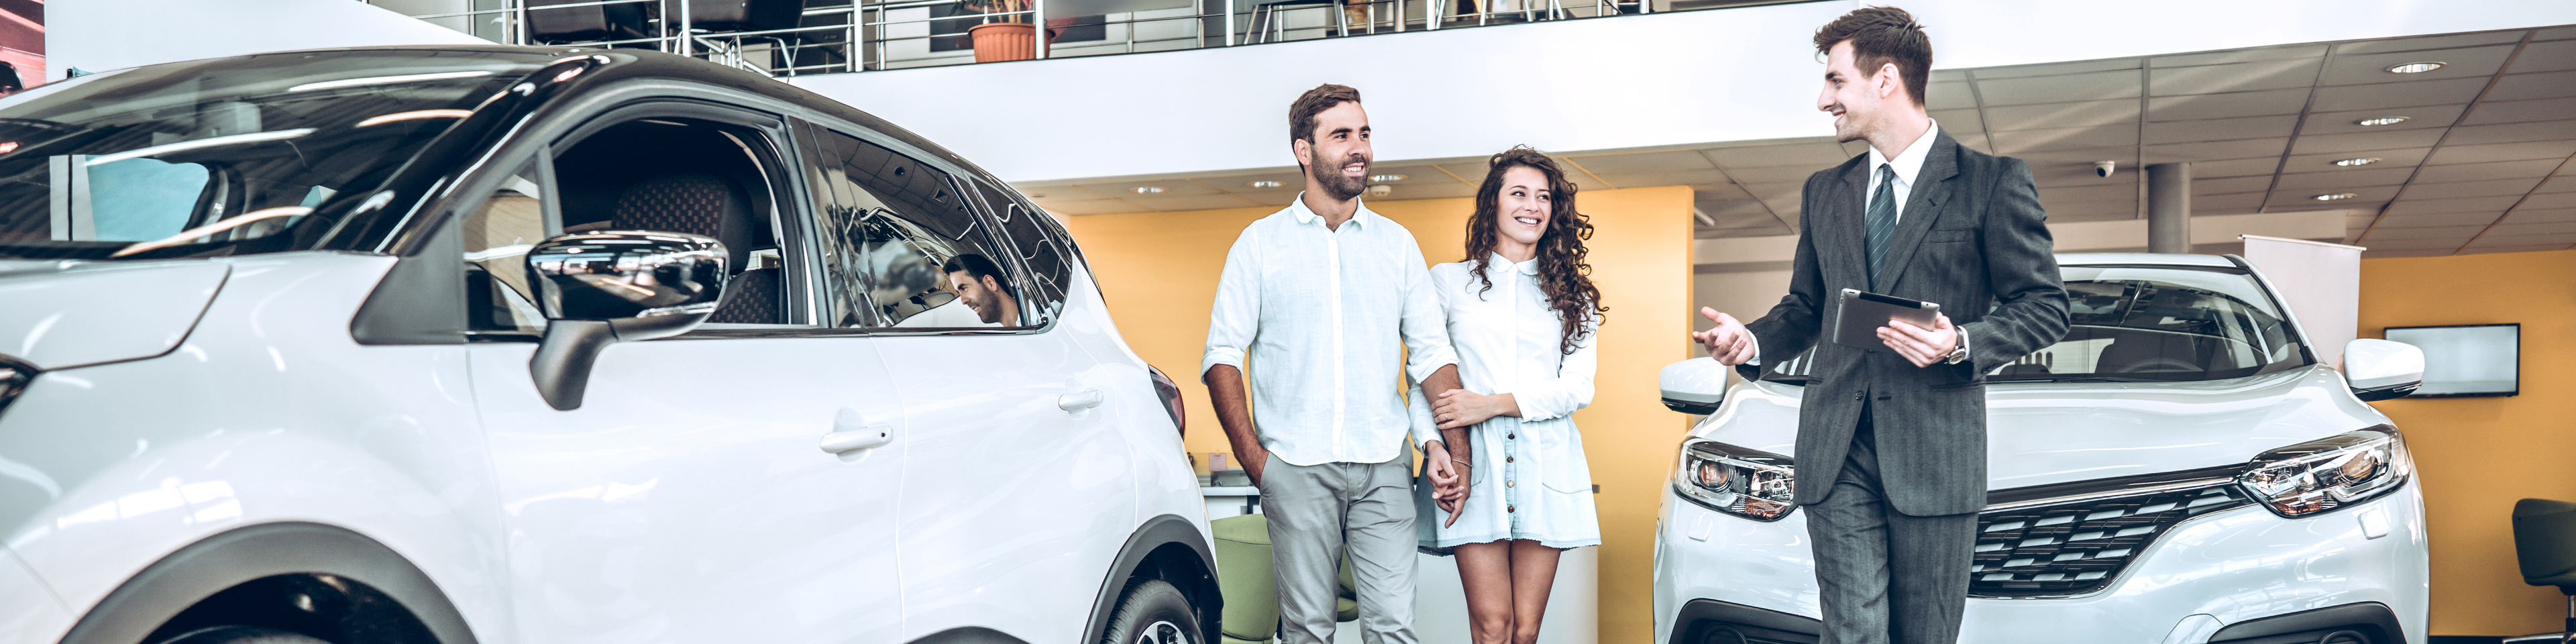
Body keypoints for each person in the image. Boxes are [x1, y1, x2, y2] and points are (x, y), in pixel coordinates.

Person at [1691, 7, 2069, 644]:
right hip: (1836, 448)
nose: (1823, 100)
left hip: (1934, 452)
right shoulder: (1825, 191)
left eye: (1836, 82)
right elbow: (1806, 308)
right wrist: (1752, 340)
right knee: (1854, 632)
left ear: (1885, 78)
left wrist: (1962, 342)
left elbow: (2045, 305)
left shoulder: (1990, 183)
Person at [1202, 83, 1466, 644]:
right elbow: (1222, 357)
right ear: (1304, 150)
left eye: (1365, 134)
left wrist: (1453, 449)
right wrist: (1258, 462)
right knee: (1307, 631)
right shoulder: (1259, 244)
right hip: (1294, 466)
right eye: (1342, 135)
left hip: (1385, 466)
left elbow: (1433, 355)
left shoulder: (1397, 246)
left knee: (1394, 628)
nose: (1360, 148)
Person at [1412, 146, 1603, 644]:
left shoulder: (1573, 295)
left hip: (1548, 465)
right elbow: (1423, 377)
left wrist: (1492, 403)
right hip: (1475, 465)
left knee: (1525, 629)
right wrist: (1432, 446)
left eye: (1544, 197)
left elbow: (1577, 387)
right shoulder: (1448, 283)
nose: (1532, 206)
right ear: (1492, 205)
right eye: (1518, 193)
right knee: (1493, 624)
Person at [941, 253, 1018, 326]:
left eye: (964, 289)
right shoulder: (1010, 337)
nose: (963, 301)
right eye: (959, 293)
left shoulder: (1030, 326)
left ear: (990, 283)